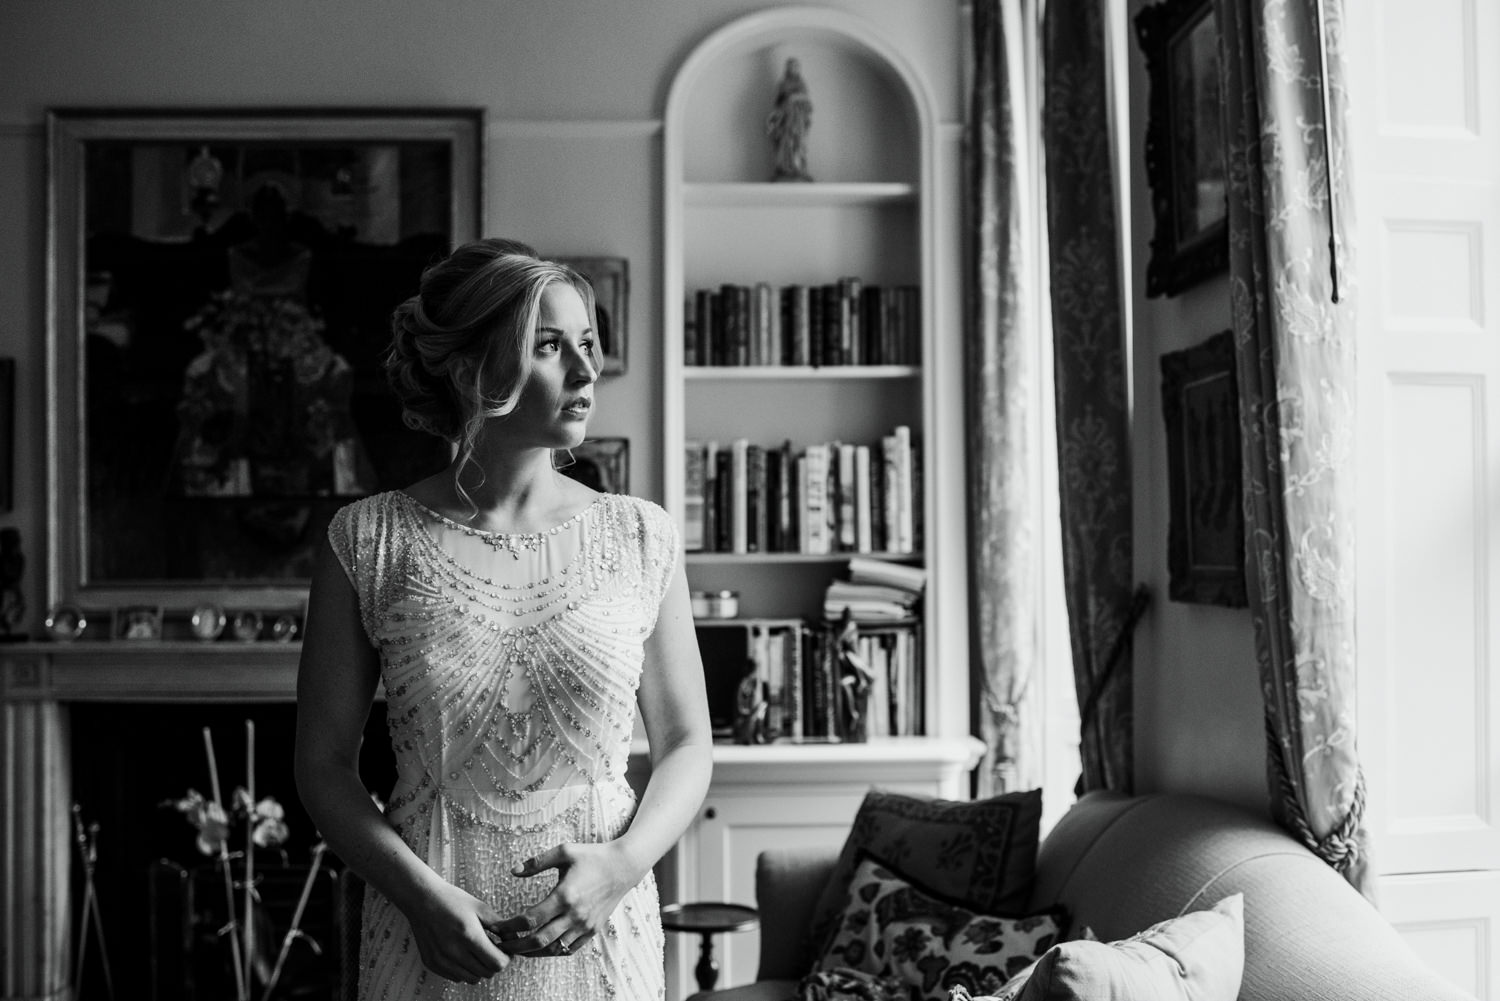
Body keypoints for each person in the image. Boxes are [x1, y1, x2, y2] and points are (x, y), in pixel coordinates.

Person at [294, 238, 713, 1000]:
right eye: (550, 347)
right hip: (428, 939)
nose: (587, 371)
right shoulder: (368, 540)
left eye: (588, 343)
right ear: (468, 368)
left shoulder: (641, 536)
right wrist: (421, 897)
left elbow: (687, 743)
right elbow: (322, 763)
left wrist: (621, 866)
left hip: (603, 936)